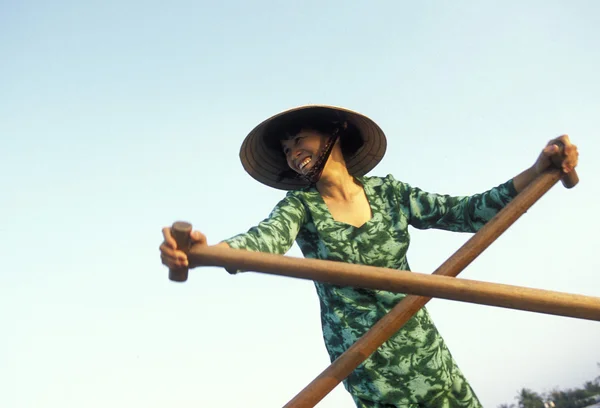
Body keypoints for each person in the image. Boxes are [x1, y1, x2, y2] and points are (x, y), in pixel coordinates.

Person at [159, 105, 579, 408]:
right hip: (365, 359)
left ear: (333, 135)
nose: (292, 153)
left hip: (421, 345)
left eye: (298, 139)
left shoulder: (390, 193)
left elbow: (469, 212)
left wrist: (538, 169)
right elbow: (262, 242)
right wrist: (204, 253)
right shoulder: (300, 207)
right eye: (286, 149)